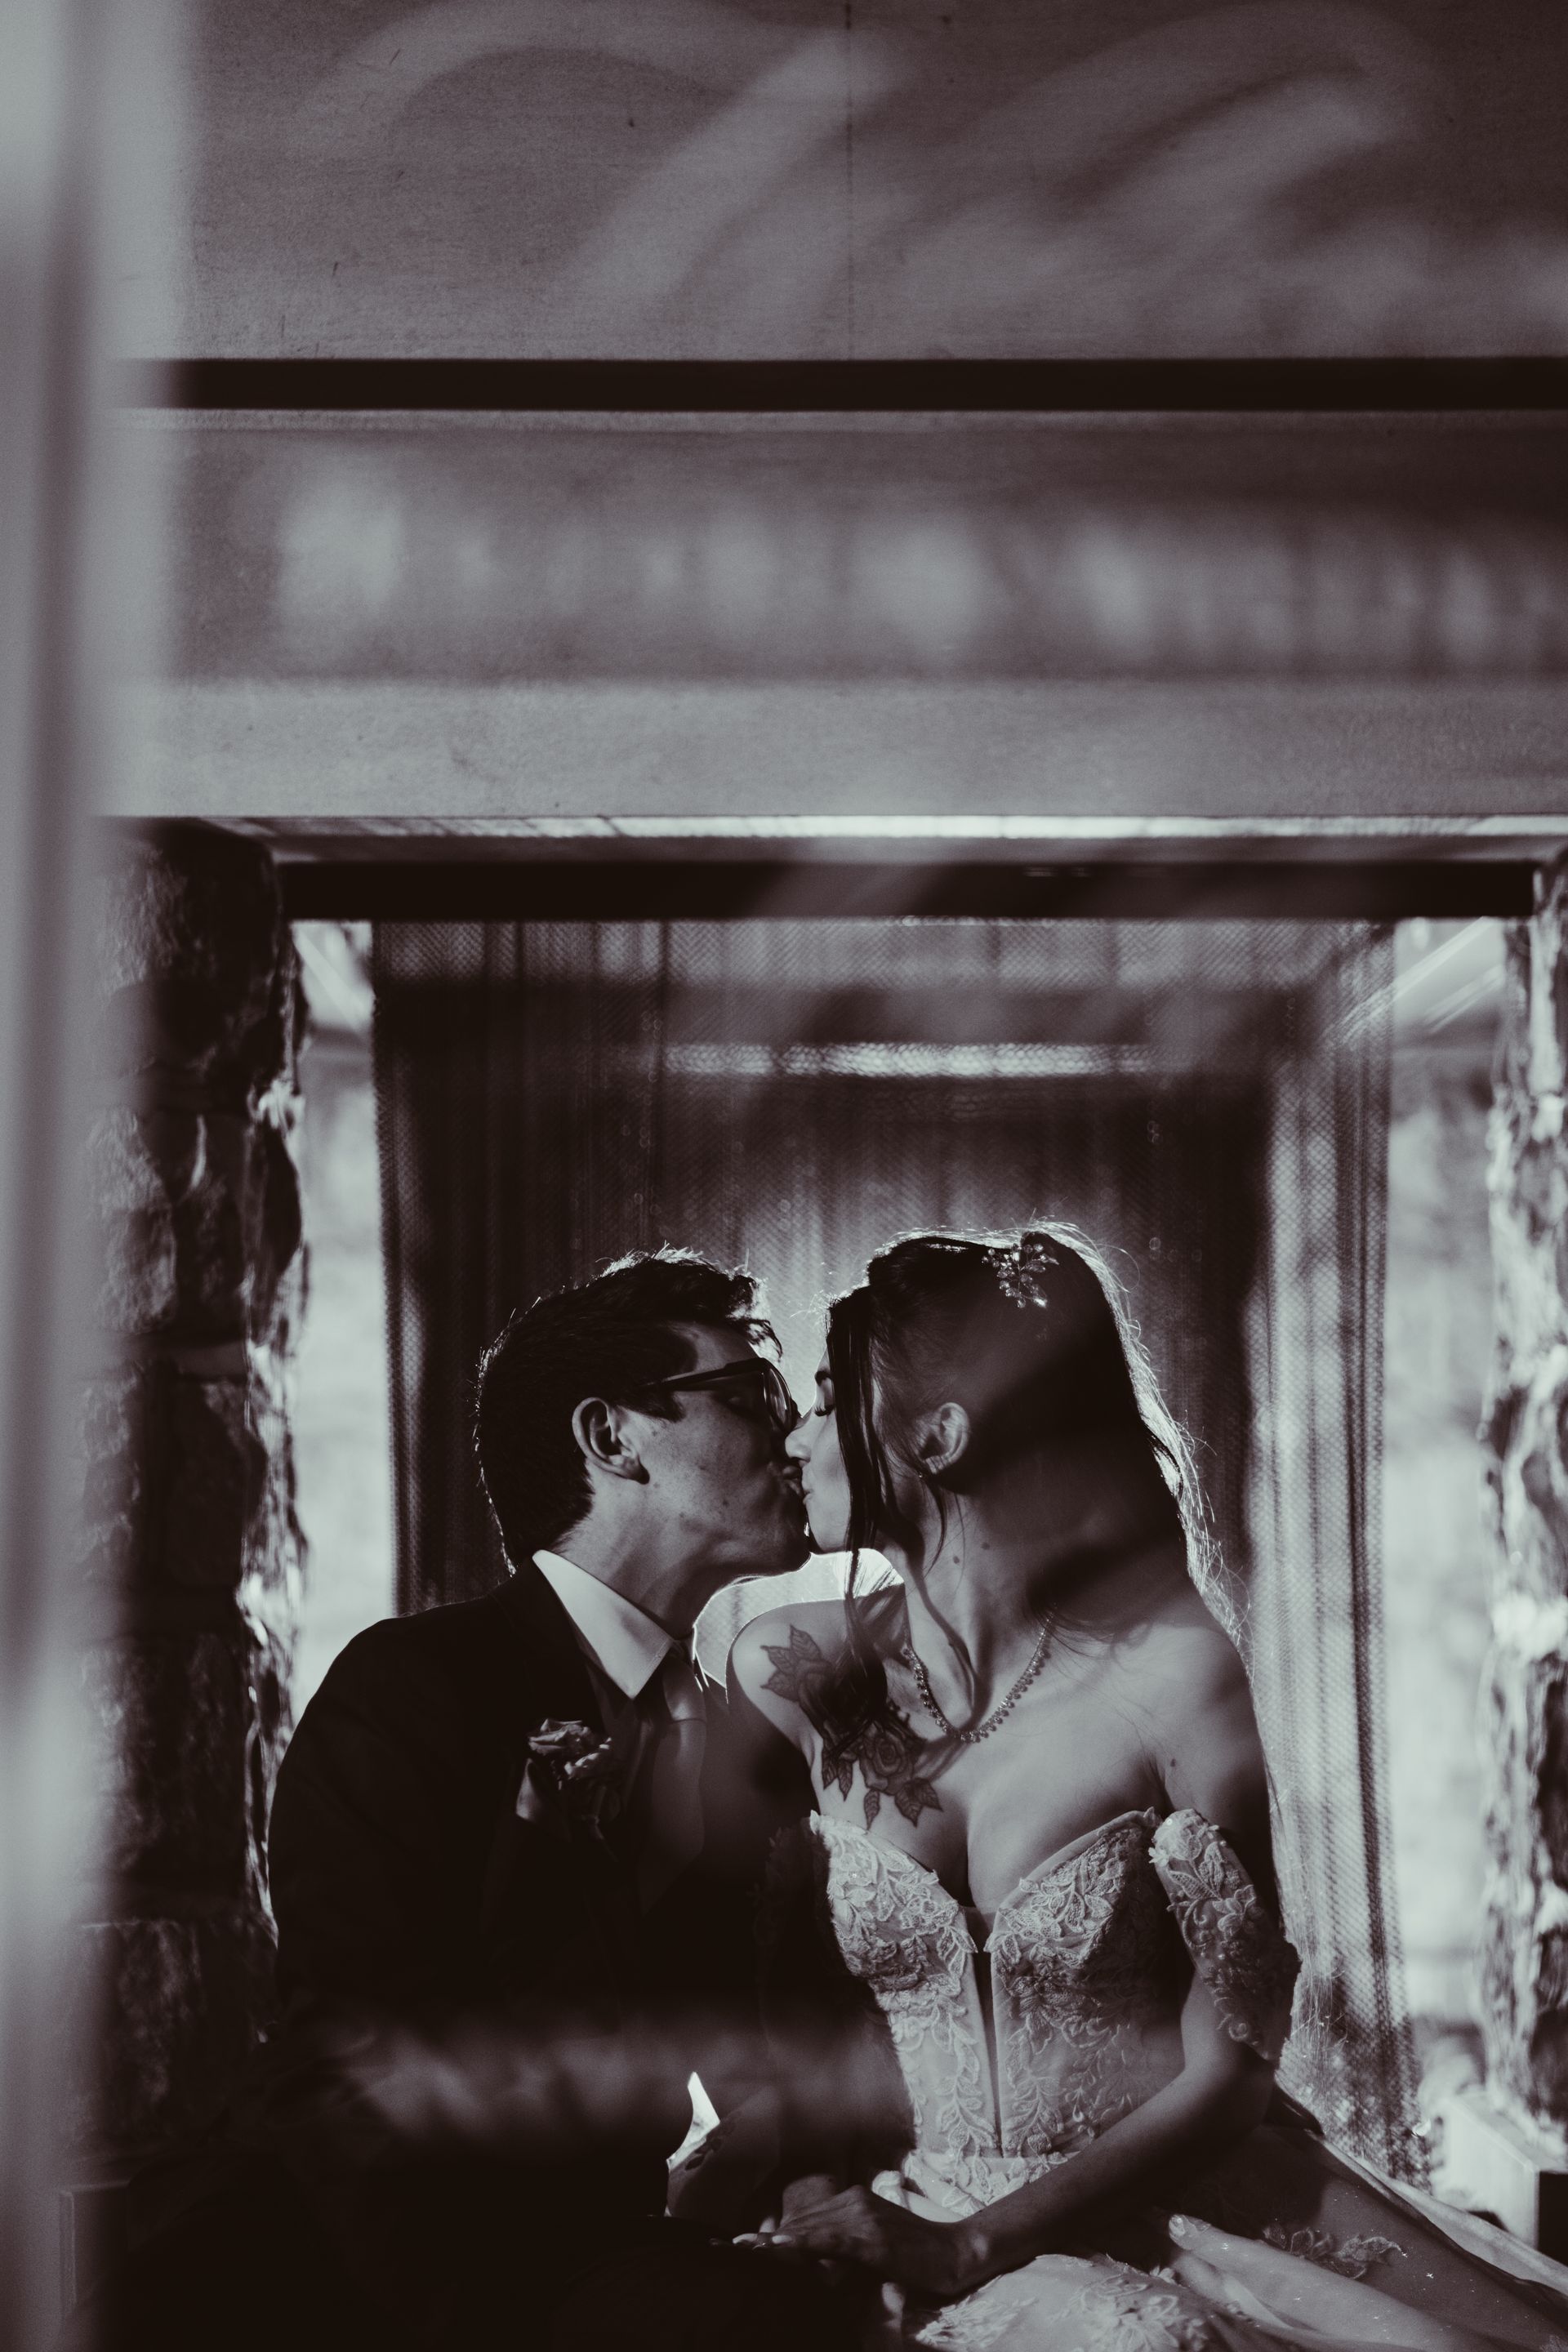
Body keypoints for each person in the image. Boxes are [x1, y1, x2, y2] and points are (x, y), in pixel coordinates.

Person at [726, 1227, 1568, 2352]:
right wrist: (816, 2194)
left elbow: (1233, 2060)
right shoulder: (787, 1668)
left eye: (828, 1398)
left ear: (938, 1433)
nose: (794, 1430)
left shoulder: (1171, 1674)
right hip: (896, 2203)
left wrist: (972, 2247)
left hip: (1161, 2204)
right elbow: (762, 1983)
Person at [69, 1247, 860, 2352]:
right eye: (747, 1399)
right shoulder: (414, 1687)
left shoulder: (741, 1733)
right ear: (611, 1438)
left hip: (592, 2274)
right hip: (316, 2280)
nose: (787, 1436)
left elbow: (746, 2052)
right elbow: (346, 2081)